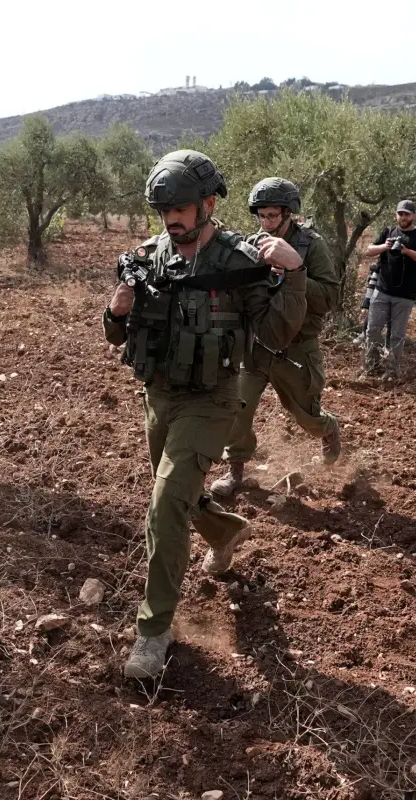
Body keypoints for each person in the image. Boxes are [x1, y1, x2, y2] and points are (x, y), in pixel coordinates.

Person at [103, 150, 308, 680]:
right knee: (178, 495)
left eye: (182, 207)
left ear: (208, 204)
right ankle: (223, 531)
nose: (172, 218)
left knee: (165, 503)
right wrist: (114, 313)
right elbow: (119, 334)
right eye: (163, 208)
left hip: (213, 398)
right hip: (159, 397)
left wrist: (295, 270)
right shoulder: (148, 257)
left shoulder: (242, 259)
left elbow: (277, 333)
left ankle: (153, 632)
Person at [211, 178, 343, 498]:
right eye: (262, 216)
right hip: (256, 345)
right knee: (236, 408)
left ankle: (328, 429)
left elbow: (329, 298)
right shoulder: (252, 242)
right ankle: (236, 470)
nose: (267, 223)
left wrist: (294, 270)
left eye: (273, 216)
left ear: (289, 214)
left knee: (306, 417)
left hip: (296, 347)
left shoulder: (312, 245)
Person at [363, 200, 416, 379]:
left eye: (407, 214)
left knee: (397, 335)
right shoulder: (388, 232)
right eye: (400, 213)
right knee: (373, 329)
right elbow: (369, 250)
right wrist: (385, 247)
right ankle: (372, 365)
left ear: (414, 215)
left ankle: (393, 370)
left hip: (405, 295)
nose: (403, 217)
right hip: (382, 290)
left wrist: (407, 251)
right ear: (396, 215)